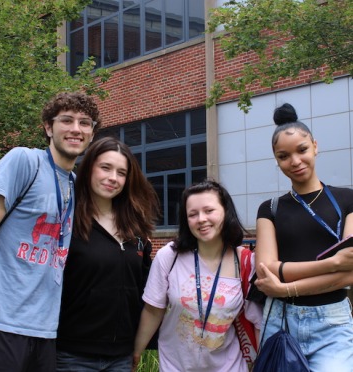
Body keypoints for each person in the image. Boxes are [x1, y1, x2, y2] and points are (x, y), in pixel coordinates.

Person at [0, 91, 100, 371]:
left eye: (85, 123)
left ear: (92, 134)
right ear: (48, 127)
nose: (76, 129)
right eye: (67, 120)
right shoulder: (25, 161)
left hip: (45, 333)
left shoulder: (75, 184)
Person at [255, 103, 353, 371]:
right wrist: (333, 265)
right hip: (281, 320)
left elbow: (351, 273)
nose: (295, 161)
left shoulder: (348, 199)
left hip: (332, 323)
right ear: (276, 160)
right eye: (283, 156)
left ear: (315, 146)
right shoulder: (270, 208)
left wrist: (285, 287)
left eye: (302, 150)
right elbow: (266, 269)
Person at [133, 179, 262, 372]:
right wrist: (135, 355)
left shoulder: (244, 262)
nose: (201, 219)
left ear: (225, 212)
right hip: (175, 367)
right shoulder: (169, 256)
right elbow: (153, 311)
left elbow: (257, 322)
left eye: (209, 211)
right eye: (192, 214)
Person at [56, 136, 160, 371]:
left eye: (121, 172)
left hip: (121, 356)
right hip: (73, 354)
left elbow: (144, 289)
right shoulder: (67, 221)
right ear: (89, 168)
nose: (113, 178)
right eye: (105, 168)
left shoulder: (137, 230)